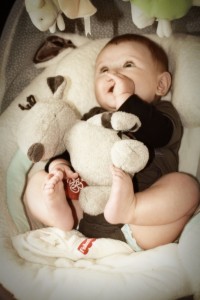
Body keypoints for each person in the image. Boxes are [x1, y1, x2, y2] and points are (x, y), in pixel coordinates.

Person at [24, 34, 200, 251]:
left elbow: (159, 135)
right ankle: (61, 215)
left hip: (140, 226)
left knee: (186, 187)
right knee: (37, 181)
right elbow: (70, 142)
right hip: (85, 212)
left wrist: (127, 98)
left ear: (161, 84)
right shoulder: (91, 117)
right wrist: (60, 166)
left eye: (128, 65)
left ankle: (130, 207)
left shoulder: (163, 115)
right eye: (104, 70)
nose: (113, 74)